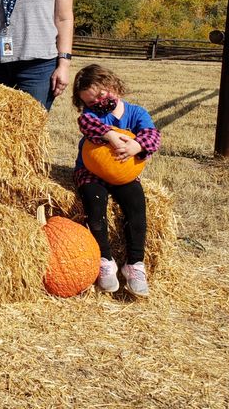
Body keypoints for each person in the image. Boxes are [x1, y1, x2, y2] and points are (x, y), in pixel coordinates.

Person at [72, 64, 162, 297]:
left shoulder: (136, 113)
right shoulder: (92, 116)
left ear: (113, 84)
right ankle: (105, 259)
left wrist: (137, 145)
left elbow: (153, 135)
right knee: (94, 204)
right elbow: (86, 123)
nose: (99, 103)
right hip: (91, 173)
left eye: (102, 95)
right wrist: (109, 134)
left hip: (124, 173)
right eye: (92, 102)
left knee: (136, 207)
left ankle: (134, 263)